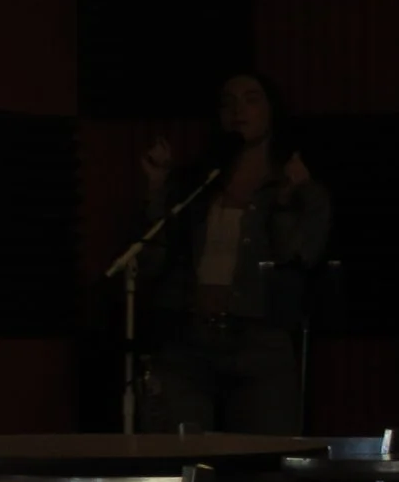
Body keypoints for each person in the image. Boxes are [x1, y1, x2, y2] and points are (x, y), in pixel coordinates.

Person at [137, 72, 331, 434]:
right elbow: (152, 262)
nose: (239, 110)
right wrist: (157, 191)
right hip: (189, 344)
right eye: (229, 102)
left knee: (260, 464)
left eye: (252, 99)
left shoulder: (299, 183)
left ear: (272, 110)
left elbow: (298, 259)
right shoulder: (200, 182)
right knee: (181, 462)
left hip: (259, 346)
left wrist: (290, 202)